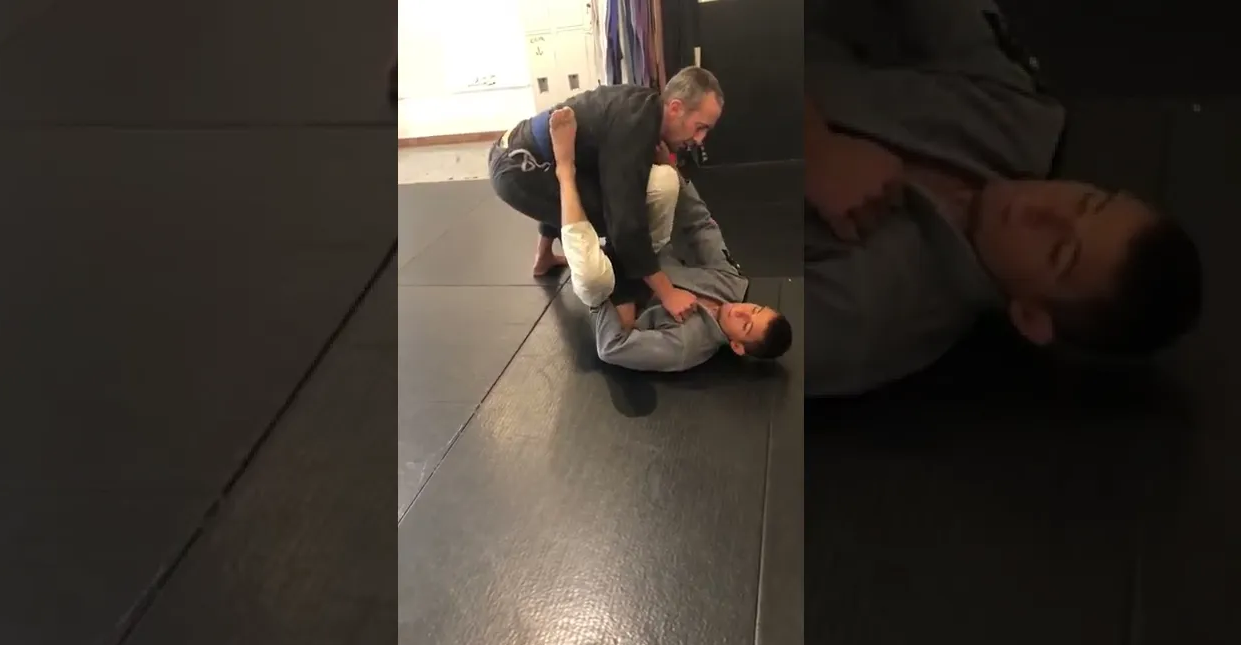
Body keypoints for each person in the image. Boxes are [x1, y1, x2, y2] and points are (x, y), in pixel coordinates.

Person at [804, 0, 1203, 397]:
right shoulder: (1016, 117)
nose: (1043, 210)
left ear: (1030, 316)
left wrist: (813, 150)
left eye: (1057, 251)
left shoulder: (869, 314)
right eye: (1085, 201)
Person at [547, 106, 793, 372]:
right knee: (666, 181)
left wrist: (623, 299)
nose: (741, 311)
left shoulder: (686, 345)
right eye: (755, 309)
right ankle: (546, 246)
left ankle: (564, 171)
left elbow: (612, 347)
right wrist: (672, 167)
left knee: (593, 278)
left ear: (737, 346)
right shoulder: (730, 282)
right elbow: (700, 226)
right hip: (643, 248)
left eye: (746, 325)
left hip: (613, 285)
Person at [489, 66, 725, 324]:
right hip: (518, 167)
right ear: (676, 108)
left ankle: (543, 258)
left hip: (522, 150)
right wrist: (667, 293)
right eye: (700, 127)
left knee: (611, 191)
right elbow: (625, 227)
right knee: (613, 219)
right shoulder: (634, 126)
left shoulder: (646, 108)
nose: (700, 139)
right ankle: (620, 295)